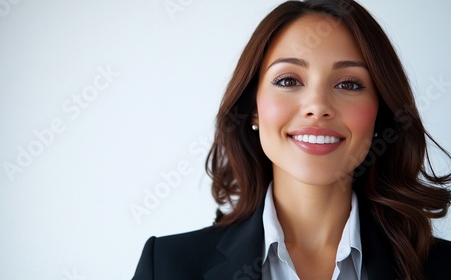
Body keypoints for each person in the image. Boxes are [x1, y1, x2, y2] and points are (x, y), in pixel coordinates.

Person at [132, 0, 451, 279]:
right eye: (288, 80)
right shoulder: (167, 266)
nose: (318, 107)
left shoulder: (444, 267)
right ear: (252, 110)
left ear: (381, 114)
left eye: (349, 84)